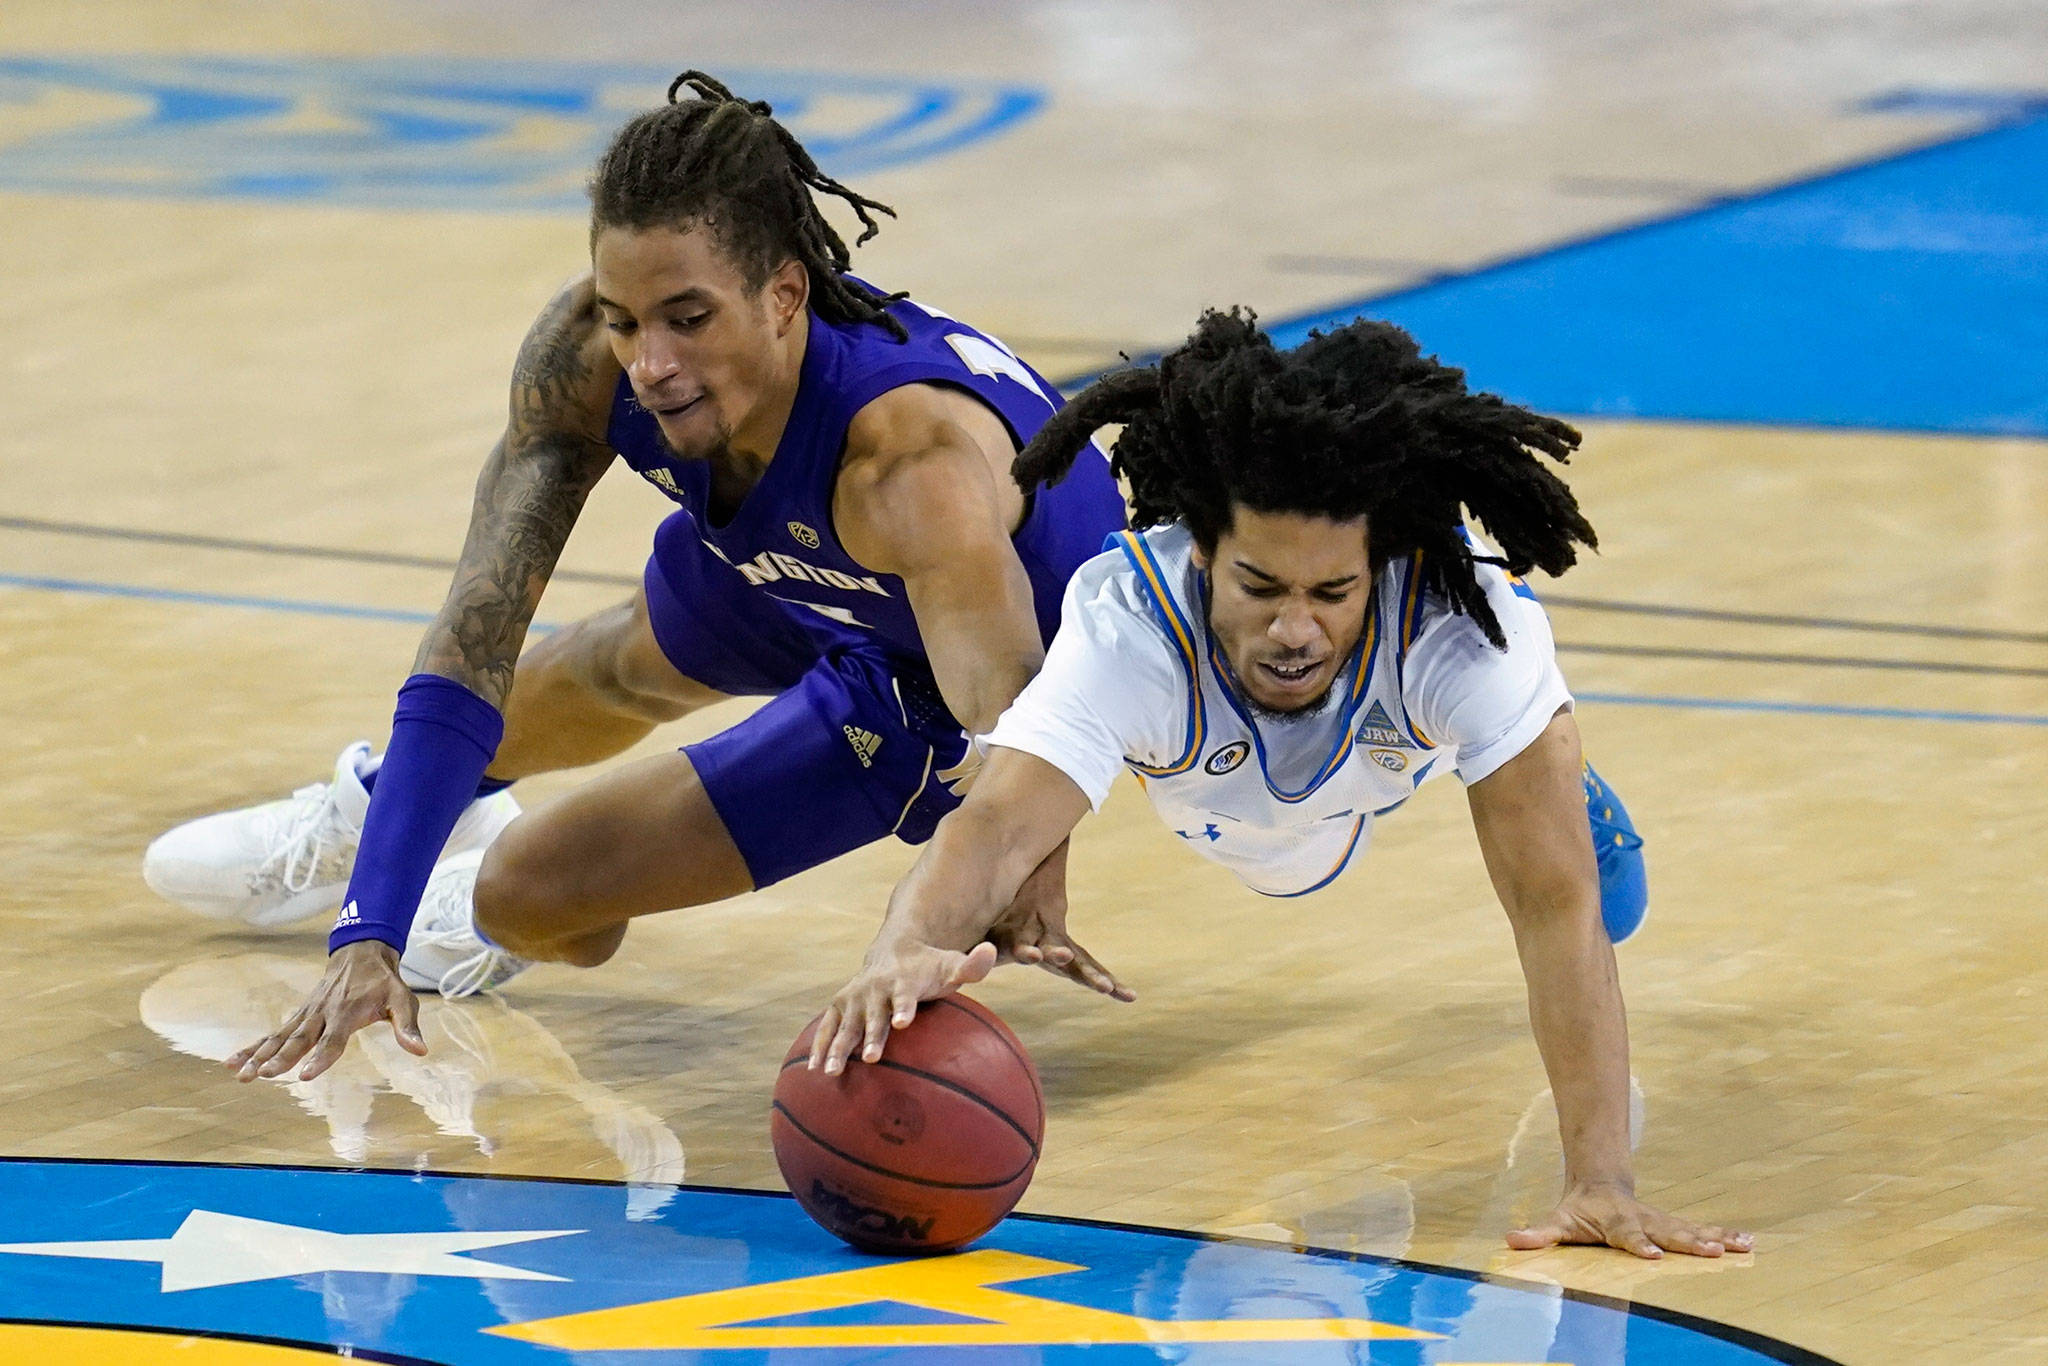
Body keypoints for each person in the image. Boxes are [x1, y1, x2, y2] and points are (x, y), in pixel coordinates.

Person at [141, 72, 1126, 1083]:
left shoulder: (911, 470)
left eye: (686, 318)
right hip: (821, 557)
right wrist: (366, 927)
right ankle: (383, 815)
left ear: (783, 294)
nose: (648, 362)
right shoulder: (589, 359)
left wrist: (1018, 866)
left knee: (525, 890)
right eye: (624, 316)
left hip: (955, 667)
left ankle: (469, 916)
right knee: (605, 665)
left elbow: (1021, 738)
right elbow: (473, 639)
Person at [808, 310, 1749, 1261]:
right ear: (1204, 552)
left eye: (1331, 594)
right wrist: (901, 950)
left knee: (1582, 880)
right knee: (1247, 840)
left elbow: (1552, 911)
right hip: (1225, 797)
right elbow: (997, 826)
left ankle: (1547, 769)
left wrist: (1599, 1182)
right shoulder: (1129, 626)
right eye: (1261, 587)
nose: (1296, 628)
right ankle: (1532, 769)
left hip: (1395, 748)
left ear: (1378, 566)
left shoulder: (1462, 635)